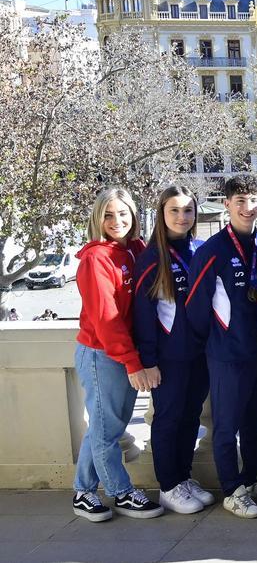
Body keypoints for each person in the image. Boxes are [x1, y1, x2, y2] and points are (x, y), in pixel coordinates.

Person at [186, 174, 257, 518]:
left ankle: (253, 477)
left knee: (256, 422)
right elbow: (196, 309)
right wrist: (218, 343)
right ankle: (232, 489)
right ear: (227, 204)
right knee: (226, 426)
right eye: (240, 201)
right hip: (228, 356)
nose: (247, 207)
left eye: (253, 200)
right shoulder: (211, 251)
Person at [71, 187, 164, 522]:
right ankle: (120, 492)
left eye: (123, 213)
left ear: (134, 216)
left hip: (122, 353)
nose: (116, 221)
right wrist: (133, 362)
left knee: (105, 425)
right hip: (102, 355)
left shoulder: (135, 250)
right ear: (98, 218)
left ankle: (83, 491)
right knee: (107, 430)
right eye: (108, 215)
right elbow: (107, 319)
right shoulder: (96, 259)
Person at [132, 185, 213, 514]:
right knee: (168, 419)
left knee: (191, 416)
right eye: (174, 210)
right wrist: (148, 361)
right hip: (168, 358)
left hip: (199, 355)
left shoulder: (199, 249)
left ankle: (183, 477)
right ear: (162, 214)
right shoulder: (152, 257)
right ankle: (168, 486)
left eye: (188, 210)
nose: (182, 216)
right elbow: (143, 314)